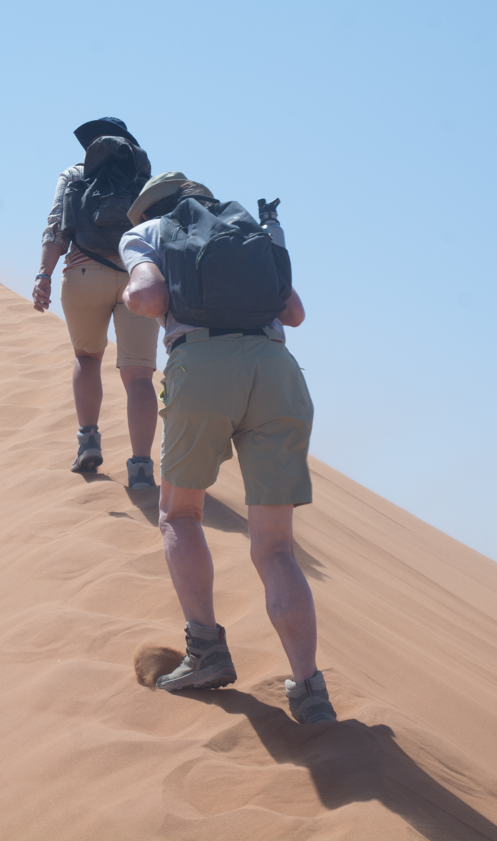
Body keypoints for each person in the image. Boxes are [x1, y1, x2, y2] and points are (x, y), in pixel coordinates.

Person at [118, 171, 336, 725]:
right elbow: (294, 314)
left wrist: (129, 290)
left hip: (203, 366)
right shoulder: (246, 232)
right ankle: (310, 689)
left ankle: (205, 650)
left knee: (180, 512)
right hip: (277, 371)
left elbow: (145, 297)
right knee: (276, 547)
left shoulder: (149, 233)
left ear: (151, 209)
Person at [33, 117, 160, 488]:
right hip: (140, 276)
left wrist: (43, 275)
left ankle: (88, 441)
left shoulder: (75, 175)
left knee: (87, 357)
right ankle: (141, 468)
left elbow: (56, 225)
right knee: (139, 376)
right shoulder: (146, 182)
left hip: (84, 271)